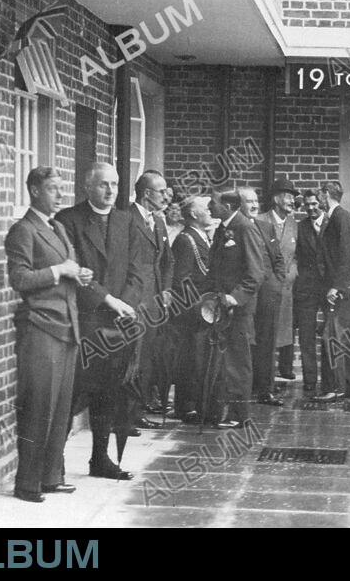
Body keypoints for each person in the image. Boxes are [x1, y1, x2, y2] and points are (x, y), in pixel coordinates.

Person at [5, 167, 91, 502]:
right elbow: (20, 279)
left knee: (59, 409)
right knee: (38, 406)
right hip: (40, 327)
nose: (59, 194)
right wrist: (59, 270)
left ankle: (51, 476)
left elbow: (64, 269)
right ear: (34, 191)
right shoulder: (23, 230)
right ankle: (27, 483)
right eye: (53, 188)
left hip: (66, 327)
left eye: (61, 188)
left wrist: (77, 274)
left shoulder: (56, 227)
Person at [56, 163, 143, 480]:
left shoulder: (126, 221)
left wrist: (126, 304)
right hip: (85, 320)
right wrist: (110, 300)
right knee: (73, 392)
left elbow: (138, 271)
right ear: (87, 186)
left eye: (116, 185)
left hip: (119, 324)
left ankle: (100, 460)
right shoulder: (68, 220)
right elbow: (76, 272)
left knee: (110, 392)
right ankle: (56, 462)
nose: (110, 191)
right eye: (103, 184)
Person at [204, 190, 266, 427]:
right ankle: (224, 410)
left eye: (213, 204)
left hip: (237, 309)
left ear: (228, 206)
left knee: (238, 361)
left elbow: (256, 273)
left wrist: (234, 298)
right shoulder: (224, 229)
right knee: (225, 360)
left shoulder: (244, 228)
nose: (210, 208)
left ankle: (239, 415)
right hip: (221, 306)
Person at [129, 169, 174, 428]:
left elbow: (168, 260)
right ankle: (126, 416)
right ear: (147, 194)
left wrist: (166, 289)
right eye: (161, 191)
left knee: (147, 357)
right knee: (132, 358)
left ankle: (140, 409)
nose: (166, 196)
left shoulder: (158, 221)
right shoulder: (126, 219)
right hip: (136, 301)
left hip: (156, 302)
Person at [251, 179, 299, 406]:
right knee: (262, 338)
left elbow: (294, 255)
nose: (292, 201)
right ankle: (260, 386)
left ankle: (266, 384)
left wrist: (291, 274)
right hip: (262, 290)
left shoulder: (293, 223)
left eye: (292, 197)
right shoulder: (259, 221)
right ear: (276, 199)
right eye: (288, 196)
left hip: (285, 290)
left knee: (276, 338)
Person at [317, 180, 350, 400]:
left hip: (343, 290)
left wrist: (336, 287)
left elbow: (346, 255)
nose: (318, 196)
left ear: (326, 194)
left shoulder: (340, 217)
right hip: (345, 288)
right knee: (347, 337)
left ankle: (335, 388)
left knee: (334, 337)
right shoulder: (338, 217)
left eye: (320, 193)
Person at [168, 196, 214, 423]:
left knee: (199, 360)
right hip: (192, 313)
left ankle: (195, 403)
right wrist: (199, 306)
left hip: (204, 310)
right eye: (206, 208)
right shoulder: (186, 240)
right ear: (194, 214)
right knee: (191, 360)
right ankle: (187, 407)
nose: (211, 211)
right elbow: (181, 280)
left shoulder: (203, 237)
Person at [293, 189, 329, 393]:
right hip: (306, 287)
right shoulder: (301, 227)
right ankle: (309, 378)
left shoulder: (332, 224)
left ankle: (330, 378)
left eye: (314, 204)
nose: (311, 208)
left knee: (329, 332)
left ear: (321, 203)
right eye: (307, 205)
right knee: (306, 334)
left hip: (328, 286)